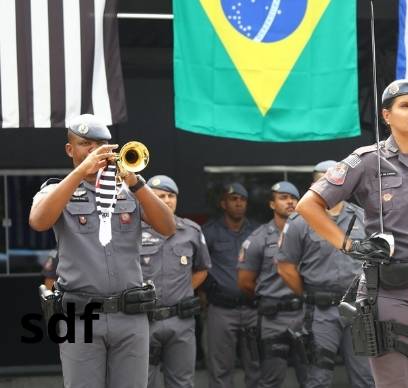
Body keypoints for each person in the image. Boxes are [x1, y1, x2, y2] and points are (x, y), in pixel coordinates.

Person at [295, 79, 408, 388]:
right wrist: (349, 245)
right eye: (405, 106)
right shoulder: (366, 161)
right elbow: (309, 205)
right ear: (386, 115)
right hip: (389, 290)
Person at [28, 113, 175, 388]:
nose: (93, 150)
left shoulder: (130, 189)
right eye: (85, 144)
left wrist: (137, 182)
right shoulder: (56, 191)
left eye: (100, 144)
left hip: (130, 315)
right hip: (79, 316)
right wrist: (79, 173)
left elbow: (168, 227)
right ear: (70, 150)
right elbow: (38, 221)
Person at [276, 162, 375, 388]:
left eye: (337, 182)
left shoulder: (362, 217)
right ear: (315, 185)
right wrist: (311, 295)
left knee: (366, 378)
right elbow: (285, 267)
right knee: (317, 377)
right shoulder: (300, 220)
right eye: (325, 181)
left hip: (358, 308)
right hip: (319, 311)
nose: (332, 187)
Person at [141, 175, 211, 388]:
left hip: (180, 321)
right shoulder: (132, 231)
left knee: (182, 382)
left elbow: (202, 269)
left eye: (171, 195)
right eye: (160, 195)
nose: (167, 199)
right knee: (142, 382)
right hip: (143, 320)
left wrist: (180, 291)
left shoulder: (191, 230)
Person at [238, 181, 307, 388]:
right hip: (273, 317)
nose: (289, 202)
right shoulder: (259, 238)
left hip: (305, 314)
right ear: (272, 204)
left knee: (312, 378)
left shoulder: (309, 233)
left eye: (293, 198)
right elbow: (245, 282)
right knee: (271, 379)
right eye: (283, 198)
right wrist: (269, 297)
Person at [202, 182, 260, 388]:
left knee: (256, 367)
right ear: (223, 203)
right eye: (233, 199)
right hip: (221, 309)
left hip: (253, 309)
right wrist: (208, 291)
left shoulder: (257, 232)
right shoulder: (209, 232)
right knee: (220, 370)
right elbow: (199, 266)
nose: (238, 203)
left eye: (242, 199)